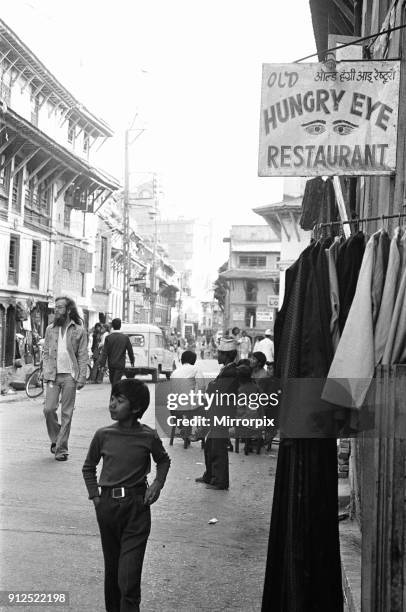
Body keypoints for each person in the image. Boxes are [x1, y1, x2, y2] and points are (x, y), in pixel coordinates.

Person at [82, 379, 171, 612]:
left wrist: (158, 484)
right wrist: (96, 498)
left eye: (119, 401)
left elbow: (163, 459)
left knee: (128, 577)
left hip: (136, 508)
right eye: (112, 399)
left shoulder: (148, 436)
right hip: (108, 507)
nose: (112, 405)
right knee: (112, 571)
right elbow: (88, 467)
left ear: (135, 408)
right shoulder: (103, 435)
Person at [42, 296, 88, 461]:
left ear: (69, 310)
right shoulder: (50, 329)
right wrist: (45, 371)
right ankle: (57, 438)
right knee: (48, 410)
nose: (56, 310)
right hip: (53, 376)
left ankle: (61, 449)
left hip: (70, 376)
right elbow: (46, 352)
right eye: (56, 307)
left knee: (66, 413)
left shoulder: (79, 330)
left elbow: (83, 355)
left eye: (60, 307)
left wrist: (82, 377)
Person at [195, 337, 239, 490]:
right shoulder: (228, 370)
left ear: (226, 355)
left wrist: (212, 387)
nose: (217, 356)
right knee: (210, 445)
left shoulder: (231, 371)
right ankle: (210, 476)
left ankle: (220, 481)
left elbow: (215, 389)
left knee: (218, 447)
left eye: (219, 353)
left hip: (222, 414)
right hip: (218, 412)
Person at [170, 350, 205, 448]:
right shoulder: (195, 369)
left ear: (181, 360)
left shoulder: (174, 372)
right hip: (189, 408)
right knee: (204, 408)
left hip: (173, 409)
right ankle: (199, 431)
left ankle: (183, 429)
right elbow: (202, 386)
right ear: (194, 361)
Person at [98, 318, 135, 387]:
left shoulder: (108, 338)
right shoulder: (125, 338)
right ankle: (114, 396)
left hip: (111, 364)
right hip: (120, 365)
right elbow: (130, 351)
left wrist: (102, 365)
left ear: (112, 326)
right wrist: (132, 361)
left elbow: (104, 352)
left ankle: (114, 396)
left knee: (113, 382)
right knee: (116, 383)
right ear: (120, 326)